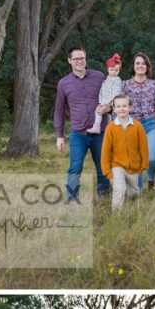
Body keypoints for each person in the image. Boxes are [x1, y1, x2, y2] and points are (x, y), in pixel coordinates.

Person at [54, 46, 110, 203]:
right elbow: (59, 110)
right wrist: (59, 136)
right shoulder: (63, 83)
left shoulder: (99, 77)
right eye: (76, 59)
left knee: (103, 167)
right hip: (78, 133)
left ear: (86, 59)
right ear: (70, 61)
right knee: (75, 167)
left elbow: (112, 97)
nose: (79, 61)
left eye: (82, 58)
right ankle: (72, 199)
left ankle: (104, 197)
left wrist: (109, 108)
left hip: (100, 132)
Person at [100, 94, 149, 211]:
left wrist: (144, 165)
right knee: (119, 189)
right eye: (118, 106)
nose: (121, 109)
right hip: (117, 165)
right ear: (114, 108)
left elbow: (143, 147)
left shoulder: (137, 126)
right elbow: (105, 151)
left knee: (133, 194)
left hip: (134, 167)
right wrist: (107, 172)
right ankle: (117, 217)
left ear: (130, 107)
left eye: (124, 106)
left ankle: (134, 213)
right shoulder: (110, 128)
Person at [121, 52, 155, 192]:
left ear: (147, 66)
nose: (140, 66)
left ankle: (151, 181)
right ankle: (137, 189)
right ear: (133, 66)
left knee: (151, 158)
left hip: (151, 123)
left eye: (143, 63)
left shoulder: (154, 84)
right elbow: (118, 105)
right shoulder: (124, 85)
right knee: (136, 159)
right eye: (137, 63)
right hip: (133, 124)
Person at [91, 52, 123, 134]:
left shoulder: (117, 80)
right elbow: (103, 90)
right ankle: (108, 129)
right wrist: (101, 100)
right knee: (107, 115)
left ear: (119, 70)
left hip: (111, 102)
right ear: (108, 69)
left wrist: (111, 103)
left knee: (99, 111)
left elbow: (116, 92)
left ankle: (96, 126)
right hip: (104, 100)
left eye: (116, 70)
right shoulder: (106, 79)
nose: (113, 72)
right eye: (111, 70)